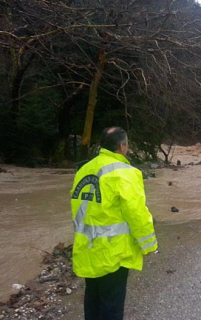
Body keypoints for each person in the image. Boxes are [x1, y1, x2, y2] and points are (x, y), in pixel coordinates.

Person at [70, 127, 157, 320]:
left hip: (87, 248)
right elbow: (136, 212)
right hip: (113, 252)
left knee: (92, 299)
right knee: (112, 304)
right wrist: (149, 245)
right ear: (122, 146)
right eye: (126, 144)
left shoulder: (83, 169)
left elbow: (78, 208)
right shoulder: (126, 173)